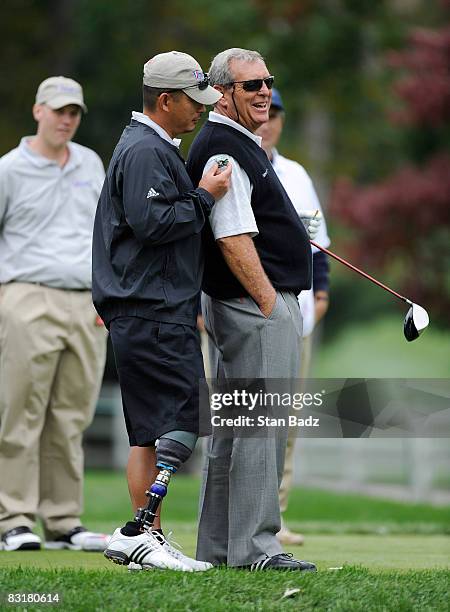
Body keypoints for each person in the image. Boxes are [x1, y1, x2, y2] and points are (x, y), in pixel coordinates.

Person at [92, 51, 231, 572]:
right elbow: (154, 224)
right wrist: (205, 195)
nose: (200, 111)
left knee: (149, 429)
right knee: (185, 415)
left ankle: (144, 534)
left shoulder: (150, 146)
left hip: (147, 308)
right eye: (192, 101)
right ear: (165, 100)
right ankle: (139, 531)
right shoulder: (147, 150)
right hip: (151, 309)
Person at [186, 48, 317, 572]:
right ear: (222, 93)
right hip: (253, 307)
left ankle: (219, 551)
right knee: (261, 429)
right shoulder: (225, 148)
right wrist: (270, 305)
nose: (264, 91)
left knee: (235, 430)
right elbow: (233, 237)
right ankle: (258, 551)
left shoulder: (237, 142)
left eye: (268, 82)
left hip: (241, 308)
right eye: (251, 85)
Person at [0, 77, 109, 552]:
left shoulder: (89, 162)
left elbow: (107, 234)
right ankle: (14, 519)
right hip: (27, 296)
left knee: (71, 417)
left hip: (85, 303)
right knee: (20, 414)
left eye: (74, 112)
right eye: (59, 110)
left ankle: (63, 521)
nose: (67, 120)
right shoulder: (9, 169)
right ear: (38, 110)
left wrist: (107, 297)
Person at [256, 89, 331, 546]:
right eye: (264, 111)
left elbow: (316, 239)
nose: (269, 121)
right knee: (237, 418)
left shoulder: (297, 174)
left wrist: (320, 294)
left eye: (276, 114)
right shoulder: (227, 162)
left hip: (295, 315)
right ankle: (231, 513)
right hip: (236, 313)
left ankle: (274, 518)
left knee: (284, 423)